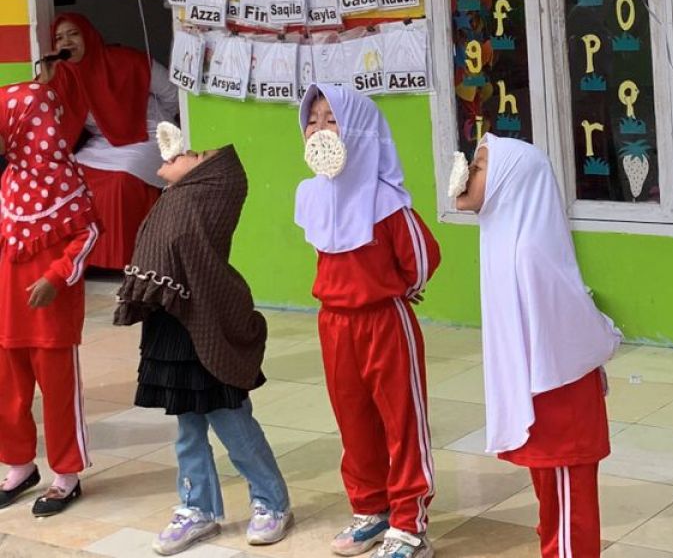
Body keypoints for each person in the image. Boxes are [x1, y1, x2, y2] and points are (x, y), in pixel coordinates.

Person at [114, 132, 291, 555]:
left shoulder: (199, 203)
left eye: (196, 155)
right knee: (188, 428)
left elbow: (190, 256)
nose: (184, 151)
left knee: (232, 422)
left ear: (209, 178)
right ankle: (197, 508)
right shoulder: (172, 200)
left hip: (204, 323)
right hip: (170, 328)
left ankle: (272, 502)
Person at [455, 135, 621, 558]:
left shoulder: (529, 251)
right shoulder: (505, 235)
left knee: (567, 513)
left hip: (559, 403)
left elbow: (576, 328)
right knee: (554, 507)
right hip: (542, 396)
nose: (467, 172)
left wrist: (607, 334)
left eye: (479, 166)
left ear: (510, 180)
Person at [297, 86, 440, 558]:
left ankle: (409, 523)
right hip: (333, 324)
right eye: (312, 119)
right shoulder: (311, 195)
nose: (320, 129)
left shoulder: (386, 200)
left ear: (359, 130)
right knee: (352, 418)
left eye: (331, 118)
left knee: (401, 421)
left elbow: (422, 259)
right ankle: (370, 507)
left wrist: (399, 291)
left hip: (384, 322)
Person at [0, 81, 100, 517]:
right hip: (7, 310)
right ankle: (20, 466)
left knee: (59, 396)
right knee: (7, 395)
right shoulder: (9, 178)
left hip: (51, 314)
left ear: (25, 125)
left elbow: (88, 233)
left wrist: (56, 277)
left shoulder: (65, 179)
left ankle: (67, 475)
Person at [45, 13, 179, 270]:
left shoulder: (129, 60)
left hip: (149, 135)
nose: (67, 42)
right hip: (105, 141)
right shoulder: (63, 76)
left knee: (120, 180)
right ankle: (76, 259)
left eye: (73, 34)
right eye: (59, 38)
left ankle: (119, 260)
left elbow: (173, 95)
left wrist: (148, 118)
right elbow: (39, 110)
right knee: (68, 177)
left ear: (88, 35)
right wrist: (46, 79)